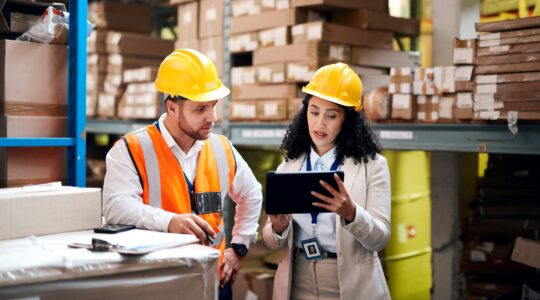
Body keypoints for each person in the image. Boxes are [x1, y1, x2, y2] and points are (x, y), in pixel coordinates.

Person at [102, 49, 263, 300]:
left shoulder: (222, 148)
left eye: (213, 106)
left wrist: (238, 248)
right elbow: (116, 206)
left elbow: (252, 194)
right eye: (201, 109)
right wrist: (169, 222)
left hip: (213, 281)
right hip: (159, 283)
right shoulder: (131, 149)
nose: (213, 117)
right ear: (172, 107)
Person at [262, 62, 391, 300]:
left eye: (331, 115)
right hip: (297, 280)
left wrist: (352, 213)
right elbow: (271, 241)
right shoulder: (290, 165)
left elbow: (380, 238)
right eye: (314, 112)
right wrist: (278, 228)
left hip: (348, 284)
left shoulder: (372, 166)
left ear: (347, 120)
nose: (319, 123)